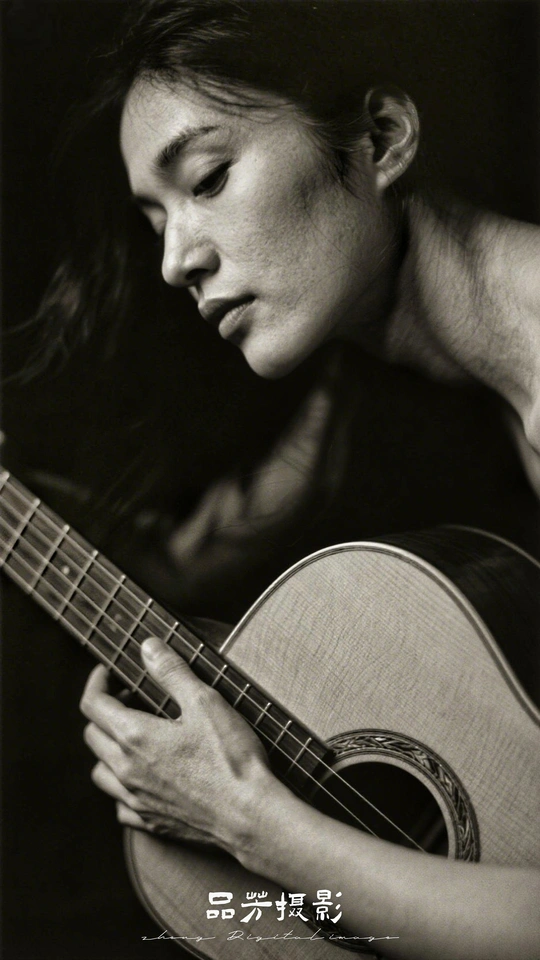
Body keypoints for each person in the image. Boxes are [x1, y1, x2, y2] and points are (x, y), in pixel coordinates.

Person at [23, 1, 540, 957]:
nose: (176, 260)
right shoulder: (466, 394)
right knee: (209, 919)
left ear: (380, 138)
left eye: (208, 178)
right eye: (155, 218)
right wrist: (248, 905)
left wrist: (247, 819)